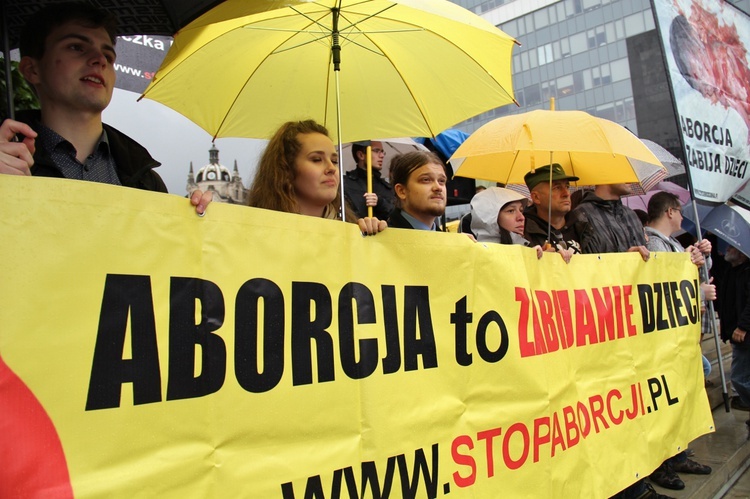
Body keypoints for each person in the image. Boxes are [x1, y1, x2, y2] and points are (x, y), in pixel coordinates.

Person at [0, 2, 211, 214]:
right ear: (32, 69)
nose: (99, 60)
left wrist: (196, 223)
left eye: (108, 56)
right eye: (77, 47)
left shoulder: (146, 181)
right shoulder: (8, 159)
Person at [643, 192, 713, 490]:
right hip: (667, 339)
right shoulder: (654, 243)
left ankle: (678, 452)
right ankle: (666, 459)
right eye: (680, 212)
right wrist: (699, 294)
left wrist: (697, 257)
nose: (683, 217)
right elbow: (664, 292)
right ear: (670, 212)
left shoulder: (667, 243)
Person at [247, 119, 385, 235]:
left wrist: (371, 237)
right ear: (286, 169)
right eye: (317, 159)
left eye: (335, 161)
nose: (331, 168)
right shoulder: (258, 235)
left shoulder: (352, 233)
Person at [567, 183, 649, 261]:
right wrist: (624, 261)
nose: (629, 178)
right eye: (622, 171)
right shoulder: (581, 215)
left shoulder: (631, 215)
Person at [523, 163, 582, 262]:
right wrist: (539, 262)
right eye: (557, 188)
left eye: (567, 186)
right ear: (536, 197)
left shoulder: (584, 227)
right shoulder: (523, 233)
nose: (566, 193)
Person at [716, 246, 750, 412]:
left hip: (744, 334)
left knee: (739, 378)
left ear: (742, 253)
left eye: (732, 247)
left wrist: (743, 327)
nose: (727, 249)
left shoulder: (747, 271)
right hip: (735, 331)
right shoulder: (731, 270)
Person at [469, 186, 543, 258]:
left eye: (521, 210)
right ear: (491, 218)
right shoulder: (477, 255)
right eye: (511, 211)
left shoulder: (524, 247)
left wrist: (537, 259)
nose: (522, 217)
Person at [387, 150, 447, 231]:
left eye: (441, 181)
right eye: (426, 180)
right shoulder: (378, 239)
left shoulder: (453, 242)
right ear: (401, 191)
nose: (438, 187)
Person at [344, 141, 396, 219]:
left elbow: (395, 215)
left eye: (382, 152)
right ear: (361, 155)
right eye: (376, 151)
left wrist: (380, 202)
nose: (382, 155)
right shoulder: (345, 183)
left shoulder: (387, 187)